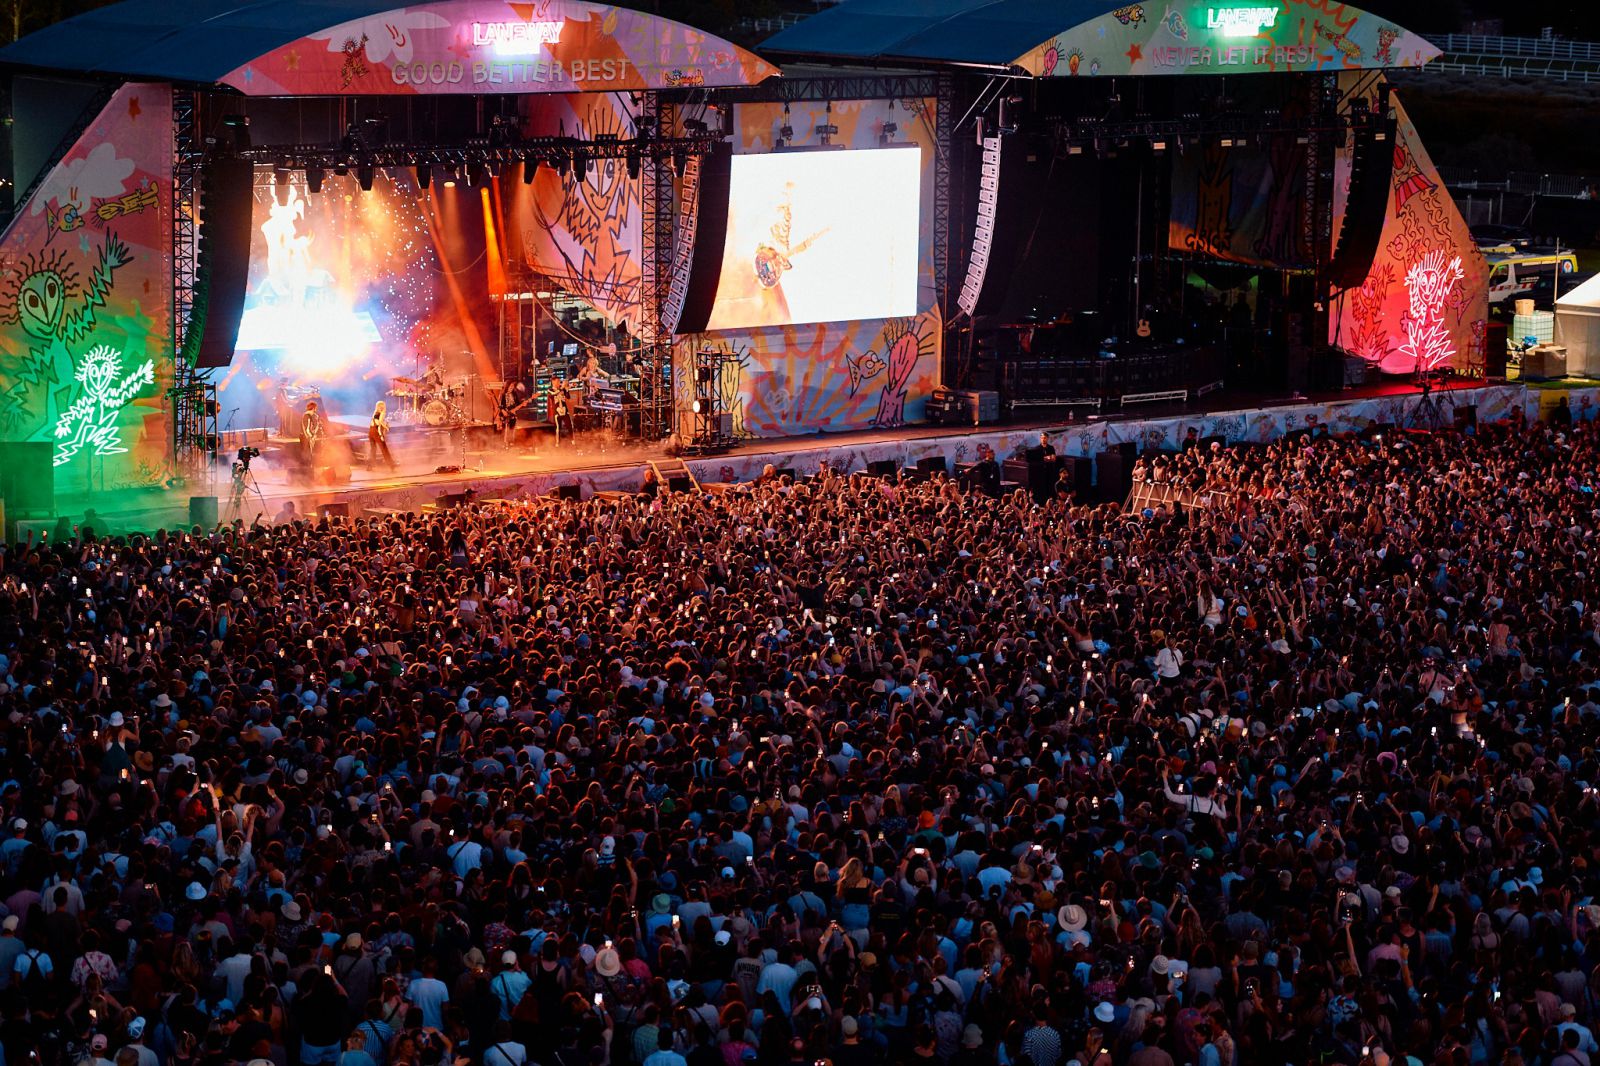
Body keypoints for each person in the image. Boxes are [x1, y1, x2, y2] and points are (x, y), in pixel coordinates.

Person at [369, 400, 396, 471]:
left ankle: (370, 466)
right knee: (384, 449)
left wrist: (384, 424)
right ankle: (391, 465)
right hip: (377, 432)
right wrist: (385, 428)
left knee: (373, 449)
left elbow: (375, 422)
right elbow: (380, 422)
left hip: (371, 431)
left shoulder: (375, 412)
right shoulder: (383, 412)